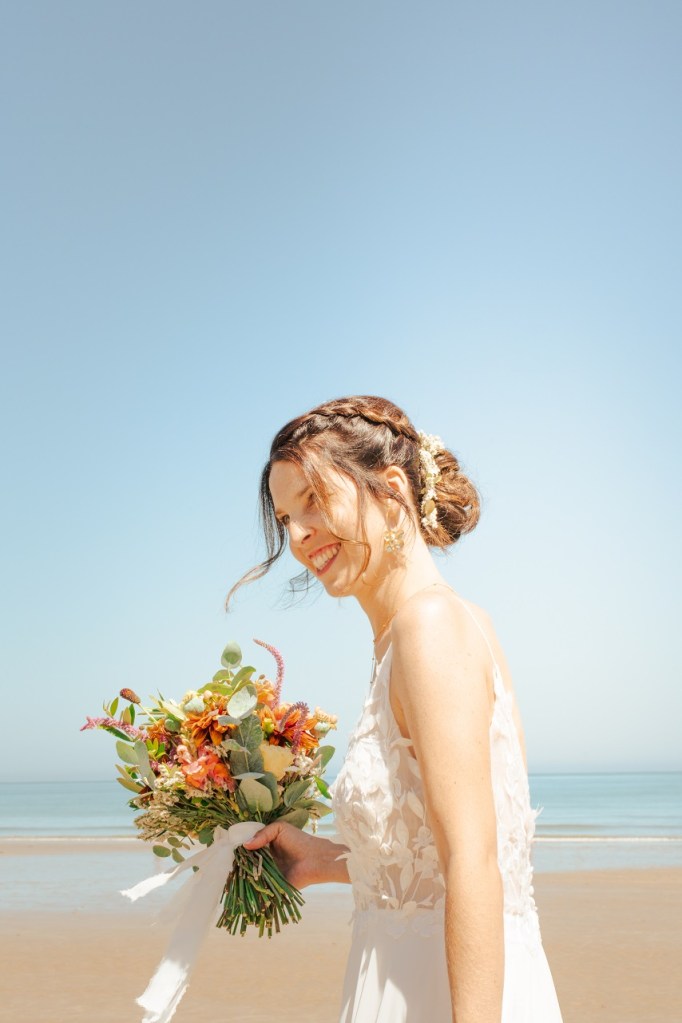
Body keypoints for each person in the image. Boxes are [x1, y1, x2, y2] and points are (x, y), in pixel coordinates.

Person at [230, 395, 564, 1023]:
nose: (298, 535)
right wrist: (322, 859)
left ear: (388, 490)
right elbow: (430, 863)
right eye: (284, 515)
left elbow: (474, 862)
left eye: (313, 500)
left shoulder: (430, 628)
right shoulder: (431, 632)